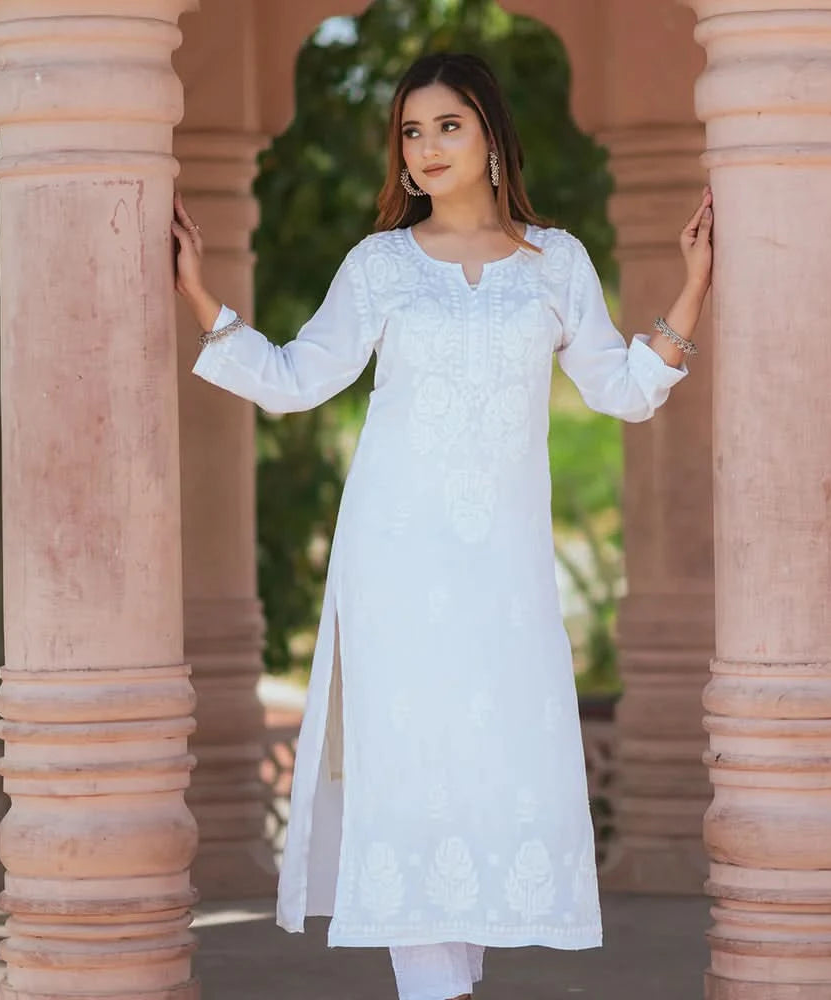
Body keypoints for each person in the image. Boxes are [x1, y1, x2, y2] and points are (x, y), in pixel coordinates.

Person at [172, 50, 712, 1000]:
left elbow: (623, 392)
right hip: (395, 560)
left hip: (503, 573)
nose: (425, 147)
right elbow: (298, 381)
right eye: (411, 131)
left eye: (447, 125)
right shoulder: (379, 266)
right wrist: (199, 298)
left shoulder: (559, 264)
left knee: (491, 762)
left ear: (492, 133)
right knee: (410, 762)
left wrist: (693, 287)